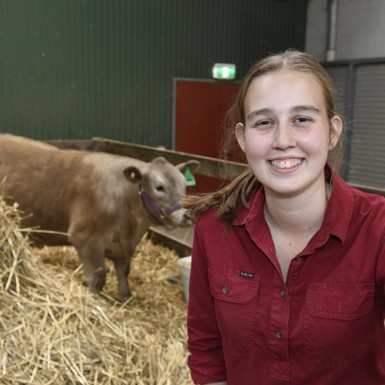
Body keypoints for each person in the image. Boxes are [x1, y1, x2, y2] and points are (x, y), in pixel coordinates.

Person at [183, 49, 385, 385]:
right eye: (264, 122)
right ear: (243, 138)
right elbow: (207, 347)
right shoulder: (214, 231)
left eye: (302, 119)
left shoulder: (376, 229)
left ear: (332, 131)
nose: (283, 140)